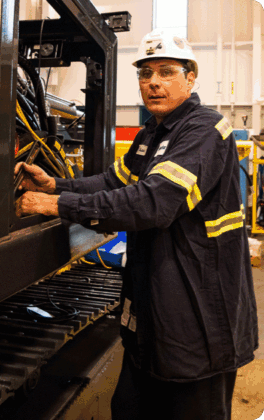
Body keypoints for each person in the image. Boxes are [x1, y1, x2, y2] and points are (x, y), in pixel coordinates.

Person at [15, 29, 258, 420]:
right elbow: (114, 182)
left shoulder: (204, 131)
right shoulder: (151, 135)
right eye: (145, 74)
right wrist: (56, 184)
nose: (154, 82)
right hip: (151, 315)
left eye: (166, 72)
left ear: (190, 77)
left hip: (197, 322)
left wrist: (59, 205)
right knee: (129, 407)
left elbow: (154, 203)